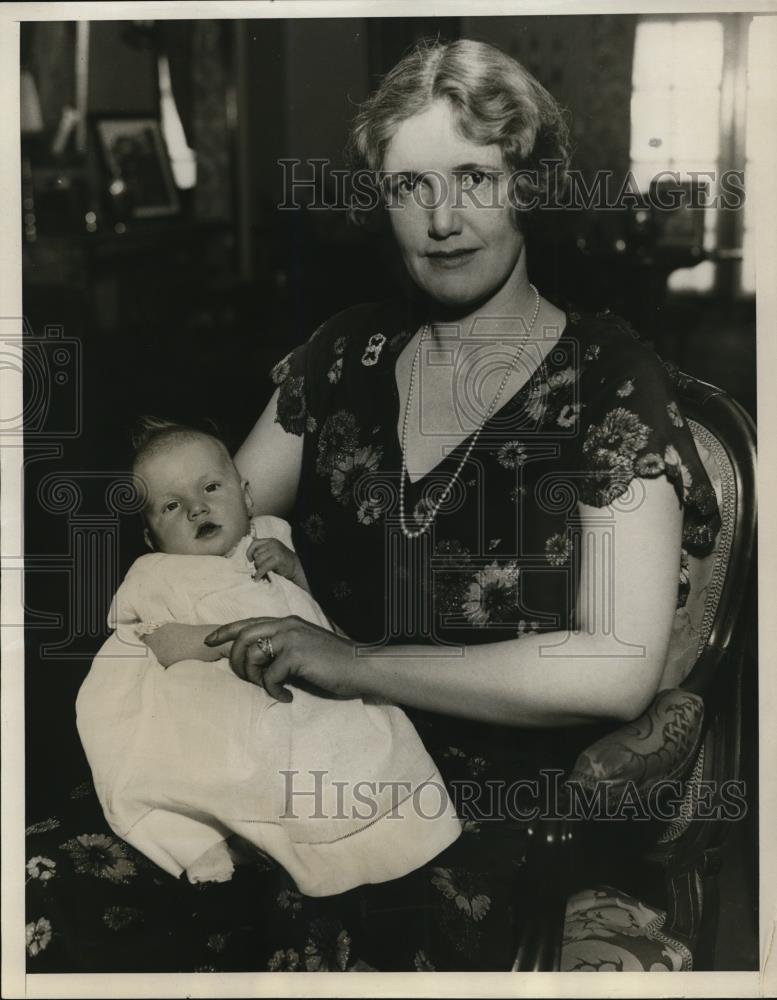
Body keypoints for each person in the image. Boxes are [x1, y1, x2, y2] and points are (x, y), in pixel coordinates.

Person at [204, 38, 722, 970]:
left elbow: (613, 669)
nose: (443, 219)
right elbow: (203, 527)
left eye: (475, 178)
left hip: (497, 820)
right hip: (295, 758)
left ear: (529, 186)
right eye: (410, 187)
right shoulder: (341, 356)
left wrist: (354, 661)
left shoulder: (607, 380)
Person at [75, 418, 461, 898]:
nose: (197, 509)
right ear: (152, 538)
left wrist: (298, 573)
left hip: (308, 692)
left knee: (361, 745)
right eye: (172, 507)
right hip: (224, 698)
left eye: (211, 488)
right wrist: (236, 640)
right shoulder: (159, 574)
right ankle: (216, 833)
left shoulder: (273, 544)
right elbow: (158, 641)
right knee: (205, 751)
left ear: (247, 498)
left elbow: (318, 619)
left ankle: (376, 833)